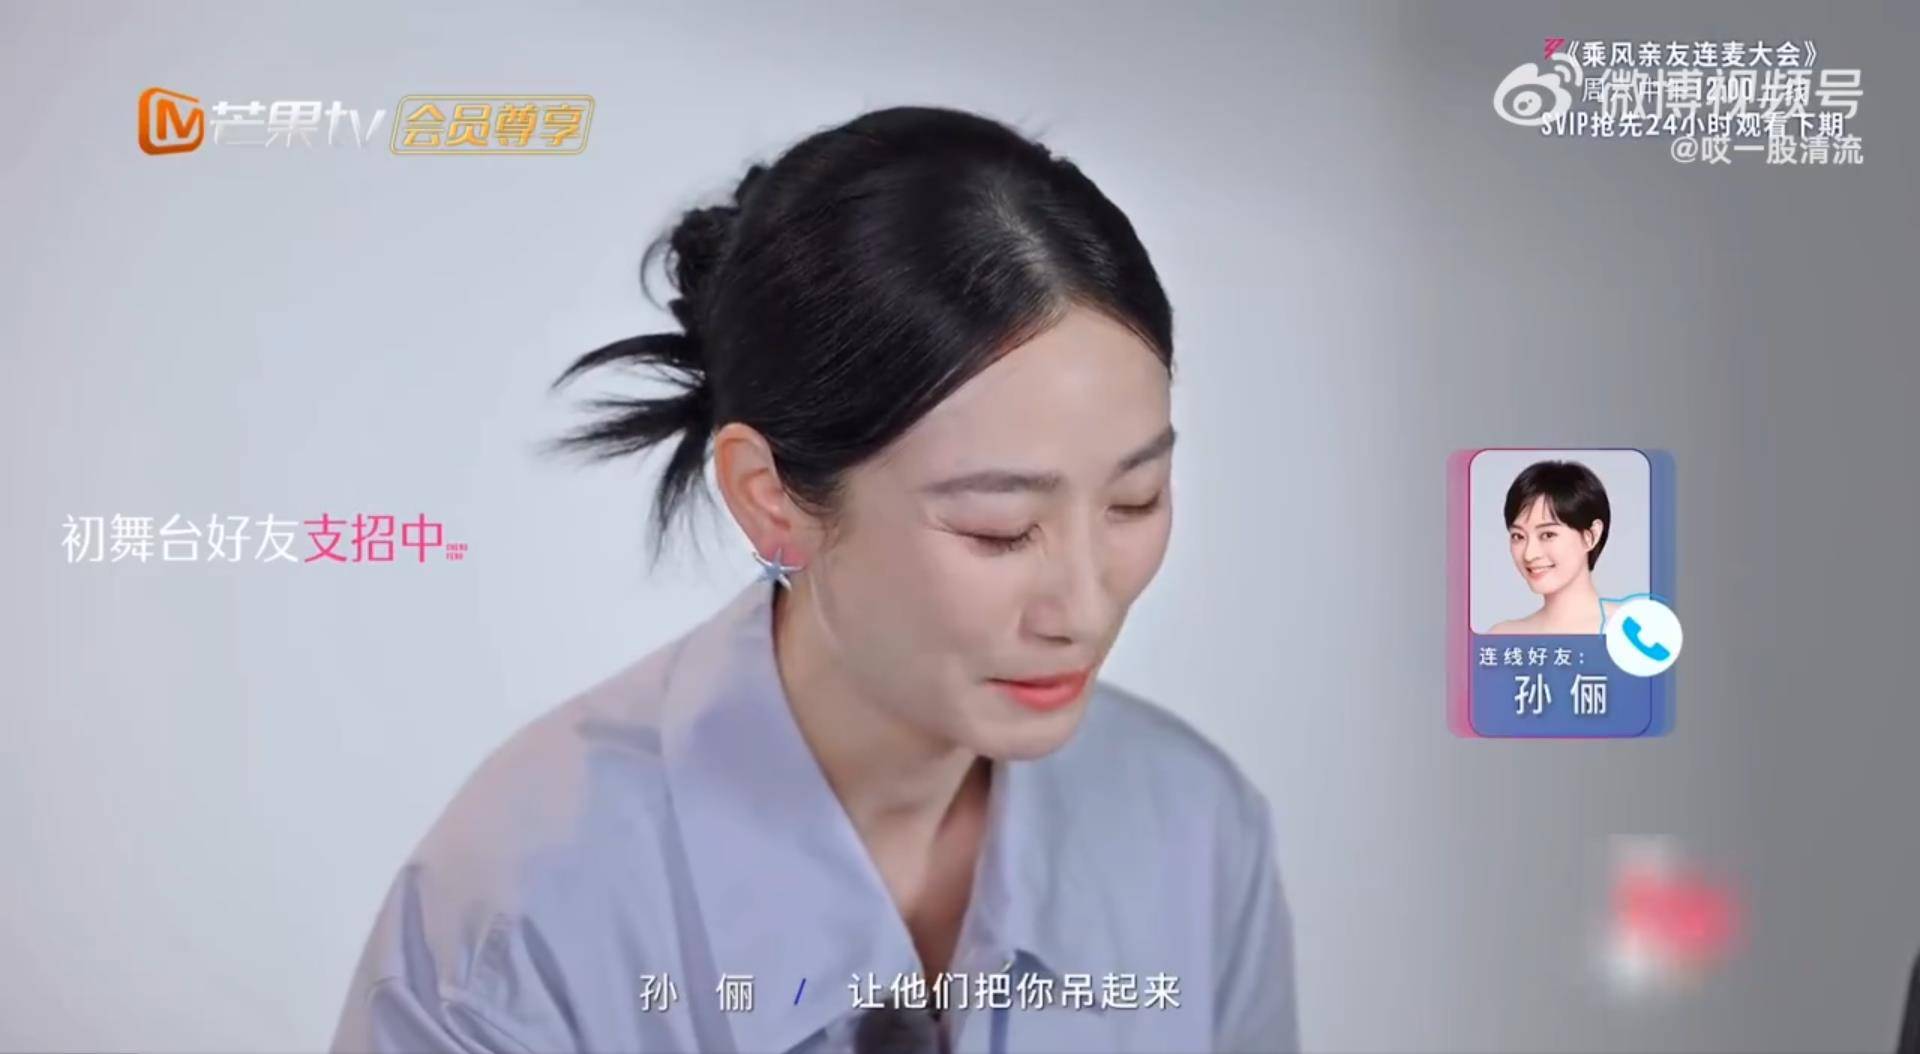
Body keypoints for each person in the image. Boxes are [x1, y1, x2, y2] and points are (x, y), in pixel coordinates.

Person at [330, 105, 1299, 1054]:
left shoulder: (1196, 829)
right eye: (998, 529)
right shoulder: (523, 910)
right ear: (771, 498)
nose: (1085, 608)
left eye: (1134, 500)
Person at [1487, 459, 1618, 635]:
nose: (1529, 554)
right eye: (1518, 536)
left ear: (1591, 536)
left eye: (1548, 535)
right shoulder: (1502, 636)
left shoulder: (1632, 633)